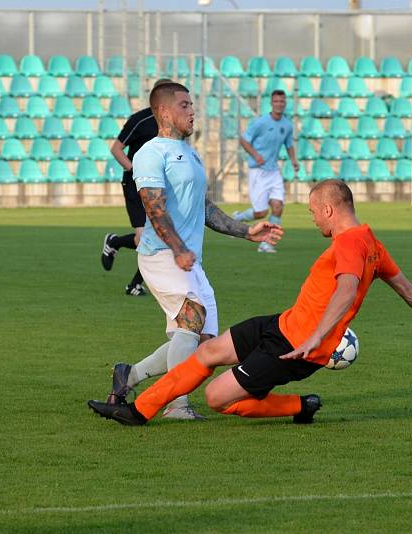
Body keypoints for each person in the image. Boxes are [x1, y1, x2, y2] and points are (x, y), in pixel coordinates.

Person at [88, 179, 412, 426]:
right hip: (282, 325)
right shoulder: (370, 241)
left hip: (295, 348)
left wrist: (316, 339)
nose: (312, 216)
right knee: (208, 353)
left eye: (312, 210)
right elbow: (404, 286)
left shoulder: (352, 243)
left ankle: (297, 406)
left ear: (329, 210)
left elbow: (346, 291)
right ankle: (138, 411)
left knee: (216, 397)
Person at [92, 81, 282, 420]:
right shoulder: (152, 152)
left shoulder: (191, 154)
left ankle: (129, 375)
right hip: (161, 254)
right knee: (191, 318)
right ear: (164, 111)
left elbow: (205, 208)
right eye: (184, 105)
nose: (192, 110)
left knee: (205, 343)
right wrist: (178, 248)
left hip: (187, 259)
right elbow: (154, 208)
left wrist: (245, 232)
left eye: (192, 104)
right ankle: (176, 406)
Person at [101, 78, 174, 295]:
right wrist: (136, 171)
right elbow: (116, 149)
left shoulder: (173, 123)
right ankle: (120, 251)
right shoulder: (140, 120)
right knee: (146, 238)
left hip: (160, 187)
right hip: (135, 185)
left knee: (158, 236)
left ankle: (133, 280)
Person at [233, 90, 299, 253]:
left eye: (282, 101)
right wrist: (256, 155)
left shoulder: (287, 124)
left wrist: (293, 160)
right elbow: (243, 139)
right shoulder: (260, 122)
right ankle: (238, 219)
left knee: (278, 207)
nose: (279, 104)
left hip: (274, 171)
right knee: (260, 213)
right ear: (271, 103)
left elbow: (289, 144)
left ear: (285, 103)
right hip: (258, 171)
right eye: (276, 101)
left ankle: (266, 243)